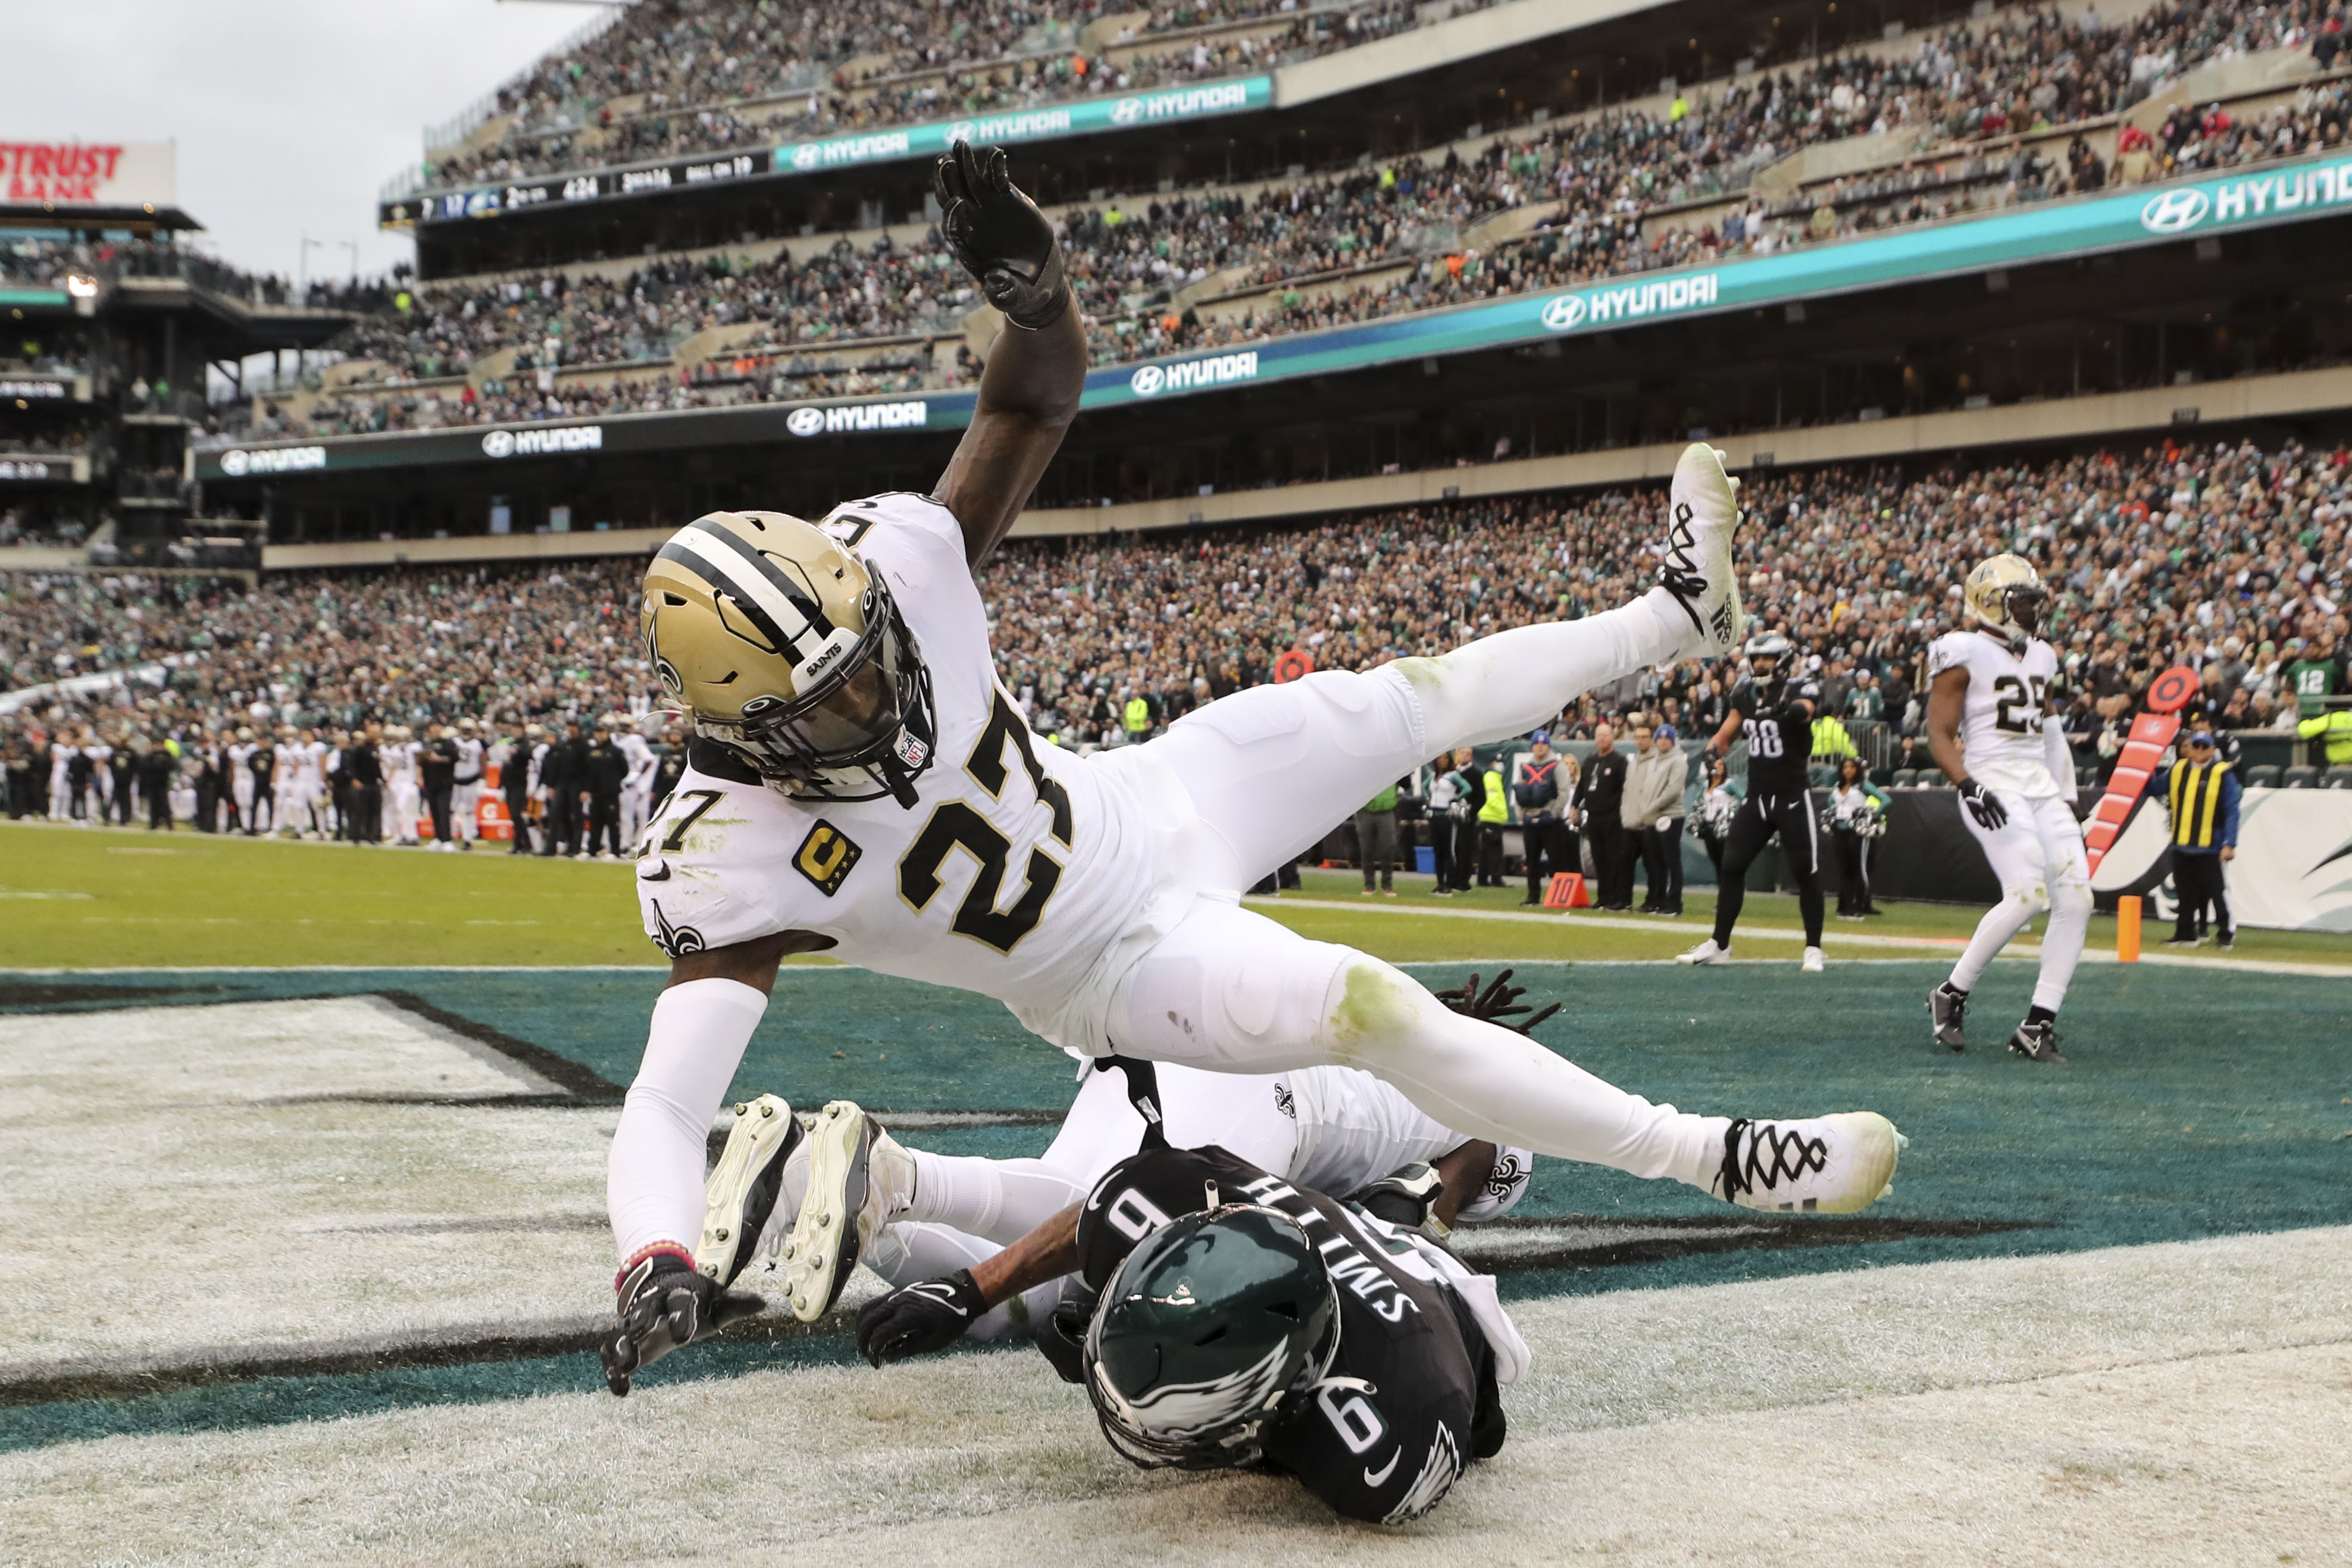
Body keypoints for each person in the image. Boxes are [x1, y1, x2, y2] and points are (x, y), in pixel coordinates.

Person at [596, 145, 1902, 1397]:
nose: (879, 698)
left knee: (1408, 699)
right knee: (1369, 1007)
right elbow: (665, 1100)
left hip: (1160, 791)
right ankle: (1714, 1153)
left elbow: (1031, 396)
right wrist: (650, 1251)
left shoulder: (902, 562)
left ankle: (1676, 611)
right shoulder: (728, 846)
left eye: (871, 657)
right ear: (748, 728)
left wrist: (1034, 290)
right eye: (833, 707)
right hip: (1114, 970)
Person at [1924, 555, 2087, 1064]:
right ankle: (1952, 992)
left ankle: (2038, 1024)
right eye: (2023, 600)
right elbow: (1939, 732)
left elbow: (2051, 728)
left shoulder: (2043, 655)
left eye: (2035, 600)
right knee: (2027, 895)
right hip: (1993, 784)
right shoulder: (1962, 650)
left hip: (2040, 785)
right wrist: (1967, 783)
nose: (2033, 610)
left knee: (2078, 898)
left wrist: (2069, 795)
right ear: (1991, 604)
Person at [1680, 631, 1826, 972]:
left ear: (1784, 661)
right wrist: (1713, 751)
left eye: (1768, 659)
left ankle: (1814, 947)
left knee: (1806, 870)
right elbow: (1728, 731)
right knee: (1732, 865)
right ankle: (1720, 943)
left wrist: (1785, 709)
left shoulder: (1798, 687)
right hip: (1758, 795)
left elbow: (1805, 711)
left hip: (1792, 793)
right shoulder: (1745, 692)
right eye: (1757, 658)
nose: (1761, 664)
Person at [2162, 728, 2238, 949]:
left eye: (2205, 746)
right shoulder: (2178, 770)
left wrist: (2229, 843)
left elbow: (2232, 810)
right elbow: (2157, 786)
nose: (2200, 751)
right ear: (2189, 749)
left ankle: (2225, 932)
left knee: (2217, 891)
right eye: (2196, 746)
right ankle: (2185, 933)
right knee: (2184, 891)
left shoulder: (2222, 773)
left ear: (2213, 749)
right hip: (2181, 842)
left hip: (2210, 844)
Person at [1625, 721, 1688, 916]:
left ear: (1672, 740)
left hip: (1670, 816)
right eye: (1659, 739)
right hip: (1652, 818)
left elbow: (1673, 790)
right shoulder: (1654, 761)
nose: (1662, 742)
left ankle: (1675, 902)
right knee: (1655, 862)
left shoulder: (1678, 761)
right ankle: (1658, 900)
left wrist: (1651, 807)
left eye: (1665, 738)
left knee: (1671, 861)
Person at [1511, 731, 1571, 906]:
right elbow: (1519, 793)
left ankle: (1560, 896)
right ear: (1532, 746)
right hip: (1531, 818)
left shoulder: (1557, 766)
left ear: (1549, 746)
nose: (1540, 747)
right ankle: (1533, 896)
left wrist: (1554, 814)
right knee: (1531, 860)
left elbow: (1564, 792)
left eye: (1543, 744)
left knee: (1556, 860)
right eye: (1537, 744)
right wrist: (1521, 815)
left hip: (1550, 820)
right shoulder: (1526, 768)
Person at [1825, 756, 1887, 918]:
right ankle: (1844, 905)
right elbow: (1830, 801)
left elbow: (1885, 799)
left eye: (1851, 768)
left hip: (1857, 831)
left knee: (1857, 868)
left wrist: (1871, 814)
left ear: (1857, 770)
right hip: (1839, 829)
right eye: (1845, 768)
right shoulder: (1837, 786)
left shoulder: (1863, 786)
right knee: (1844, 868)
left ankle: (1859, 904)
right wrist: (1833, 814)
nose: (1848, 771)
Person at [1576, 722, 1630, 909]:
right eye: (1599, 736)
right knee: (1598, 858)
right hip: (1593, 816)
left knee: (1613, 858)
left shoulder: (1620, 761)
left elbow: (1626, 789)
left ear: (1612, 738)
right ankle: (1603, 897)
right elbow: (1581, 787)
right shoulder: (1590, 762)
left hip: (1612, 817)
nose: (1601, 739)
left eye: (1605, 736)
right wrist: (1574, 806)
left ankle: (1615, 897)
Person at [584, 721, 628, 859]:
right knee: (596, 822)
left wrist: (612, 782)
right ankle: (592, 850)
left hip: (611, 792)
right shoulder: (592, 752)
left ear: (608, 734)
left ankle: (615, 851)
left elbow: (624, 770)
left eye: (602, 733)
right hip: (596, 793)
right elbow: (588, 773)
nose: (600, 736)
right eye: (597, 733)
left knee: (613, 822)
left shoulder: (616, 751)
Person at [1353, 777, 1400, 896]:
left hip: (1387, 811)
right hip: (1366, 811)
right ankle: (1369, 885)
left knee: (1387, 848)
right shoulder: (1366, 766)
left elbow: (1407, 783)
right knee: (1366, 849)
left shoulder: (1393, 767)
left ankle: (1387, 885)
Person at [1694, 755, 1740, 874]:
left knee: (1724, 858)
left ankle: (1726, 886)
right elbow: (1698, 798)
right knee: (1714, 857)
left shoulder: (1729, 784)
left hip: (1722, 826)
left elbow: (1743, 796)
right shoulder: (1706, 784)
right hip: (1708, 826)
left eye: (1721, 765)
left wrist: (1732, 812)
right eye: (1716, 765)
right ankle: (1721, 885)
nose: (1718, 767)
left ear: (1724, 769)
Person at [420, 724, 458, 849]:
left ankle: (447, 840)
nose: (435, 733)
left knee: (444, 811)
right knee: (434, 811)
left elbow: (455, 758)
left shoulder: (448, 743)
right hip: (430, 782)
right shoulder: (426, 744)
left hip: (445, 783)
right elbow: (422, 761)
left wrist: (440, 759)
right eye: (432, 731)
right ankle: (438, 838)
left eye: (437, 730)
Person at [450, 716, 486, 850]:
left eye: (468, 730)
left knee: (469, 811)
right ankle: (448, 837)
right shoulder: (454, 741)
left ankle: (468, 839)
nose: (465, 732)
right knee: (451, 809)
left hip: (471, 780)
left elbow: (483, 762)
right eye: (464, 729)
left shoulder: (478, 744)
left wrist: (482, 780)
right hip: (455, 780)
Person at [503, 724, 539, 855]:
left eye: (518, 730)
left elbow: (527, 754)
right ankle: (518, 845)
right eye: (514, 729)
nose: (516, 732)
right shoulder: (510, 743)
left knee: (517, 814)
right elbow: (506, 764)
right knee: (514, 816)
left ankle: (527, 844)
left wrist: (517, 751)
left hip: (519, 783)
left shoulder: (524, 744)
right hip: (509, 783)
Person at [1475, 752, 1509, 886]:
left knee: (1485, 852)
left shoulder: (1495, 777)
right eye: (1497, 762)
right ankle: (1496, 878)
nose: (1500, 765)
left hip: (1491, 817)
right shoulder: (1491, 777)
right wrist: (1503, 812)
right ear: (1492, 763)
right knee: (1495, 851)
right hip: (1492, 817)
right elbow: (1492, 798)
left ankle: (1482, 879)